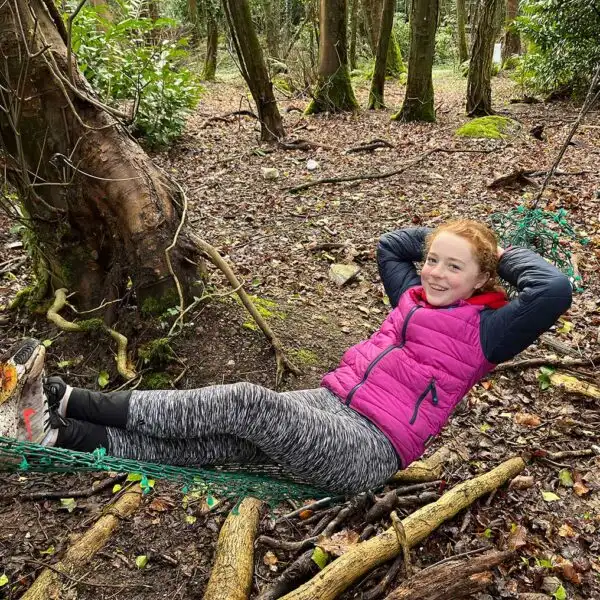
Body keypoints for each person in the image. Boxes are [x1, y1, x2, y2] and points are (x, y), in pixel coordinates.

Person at [0, 220, 572, 494]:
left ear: (481, 280)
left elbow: (553, 291)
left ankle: (64, 398)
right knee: (218, 442)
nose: (435, 272)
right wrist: (447, 238)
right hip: (329, 402)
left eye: (454, 267)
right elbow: (391, 245)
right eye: (434, 261)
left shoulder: (489, 330)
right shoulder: (412, 295)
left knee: (249, 404)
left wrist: (501, 250)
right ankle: (54, 436)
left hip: (369, 449)